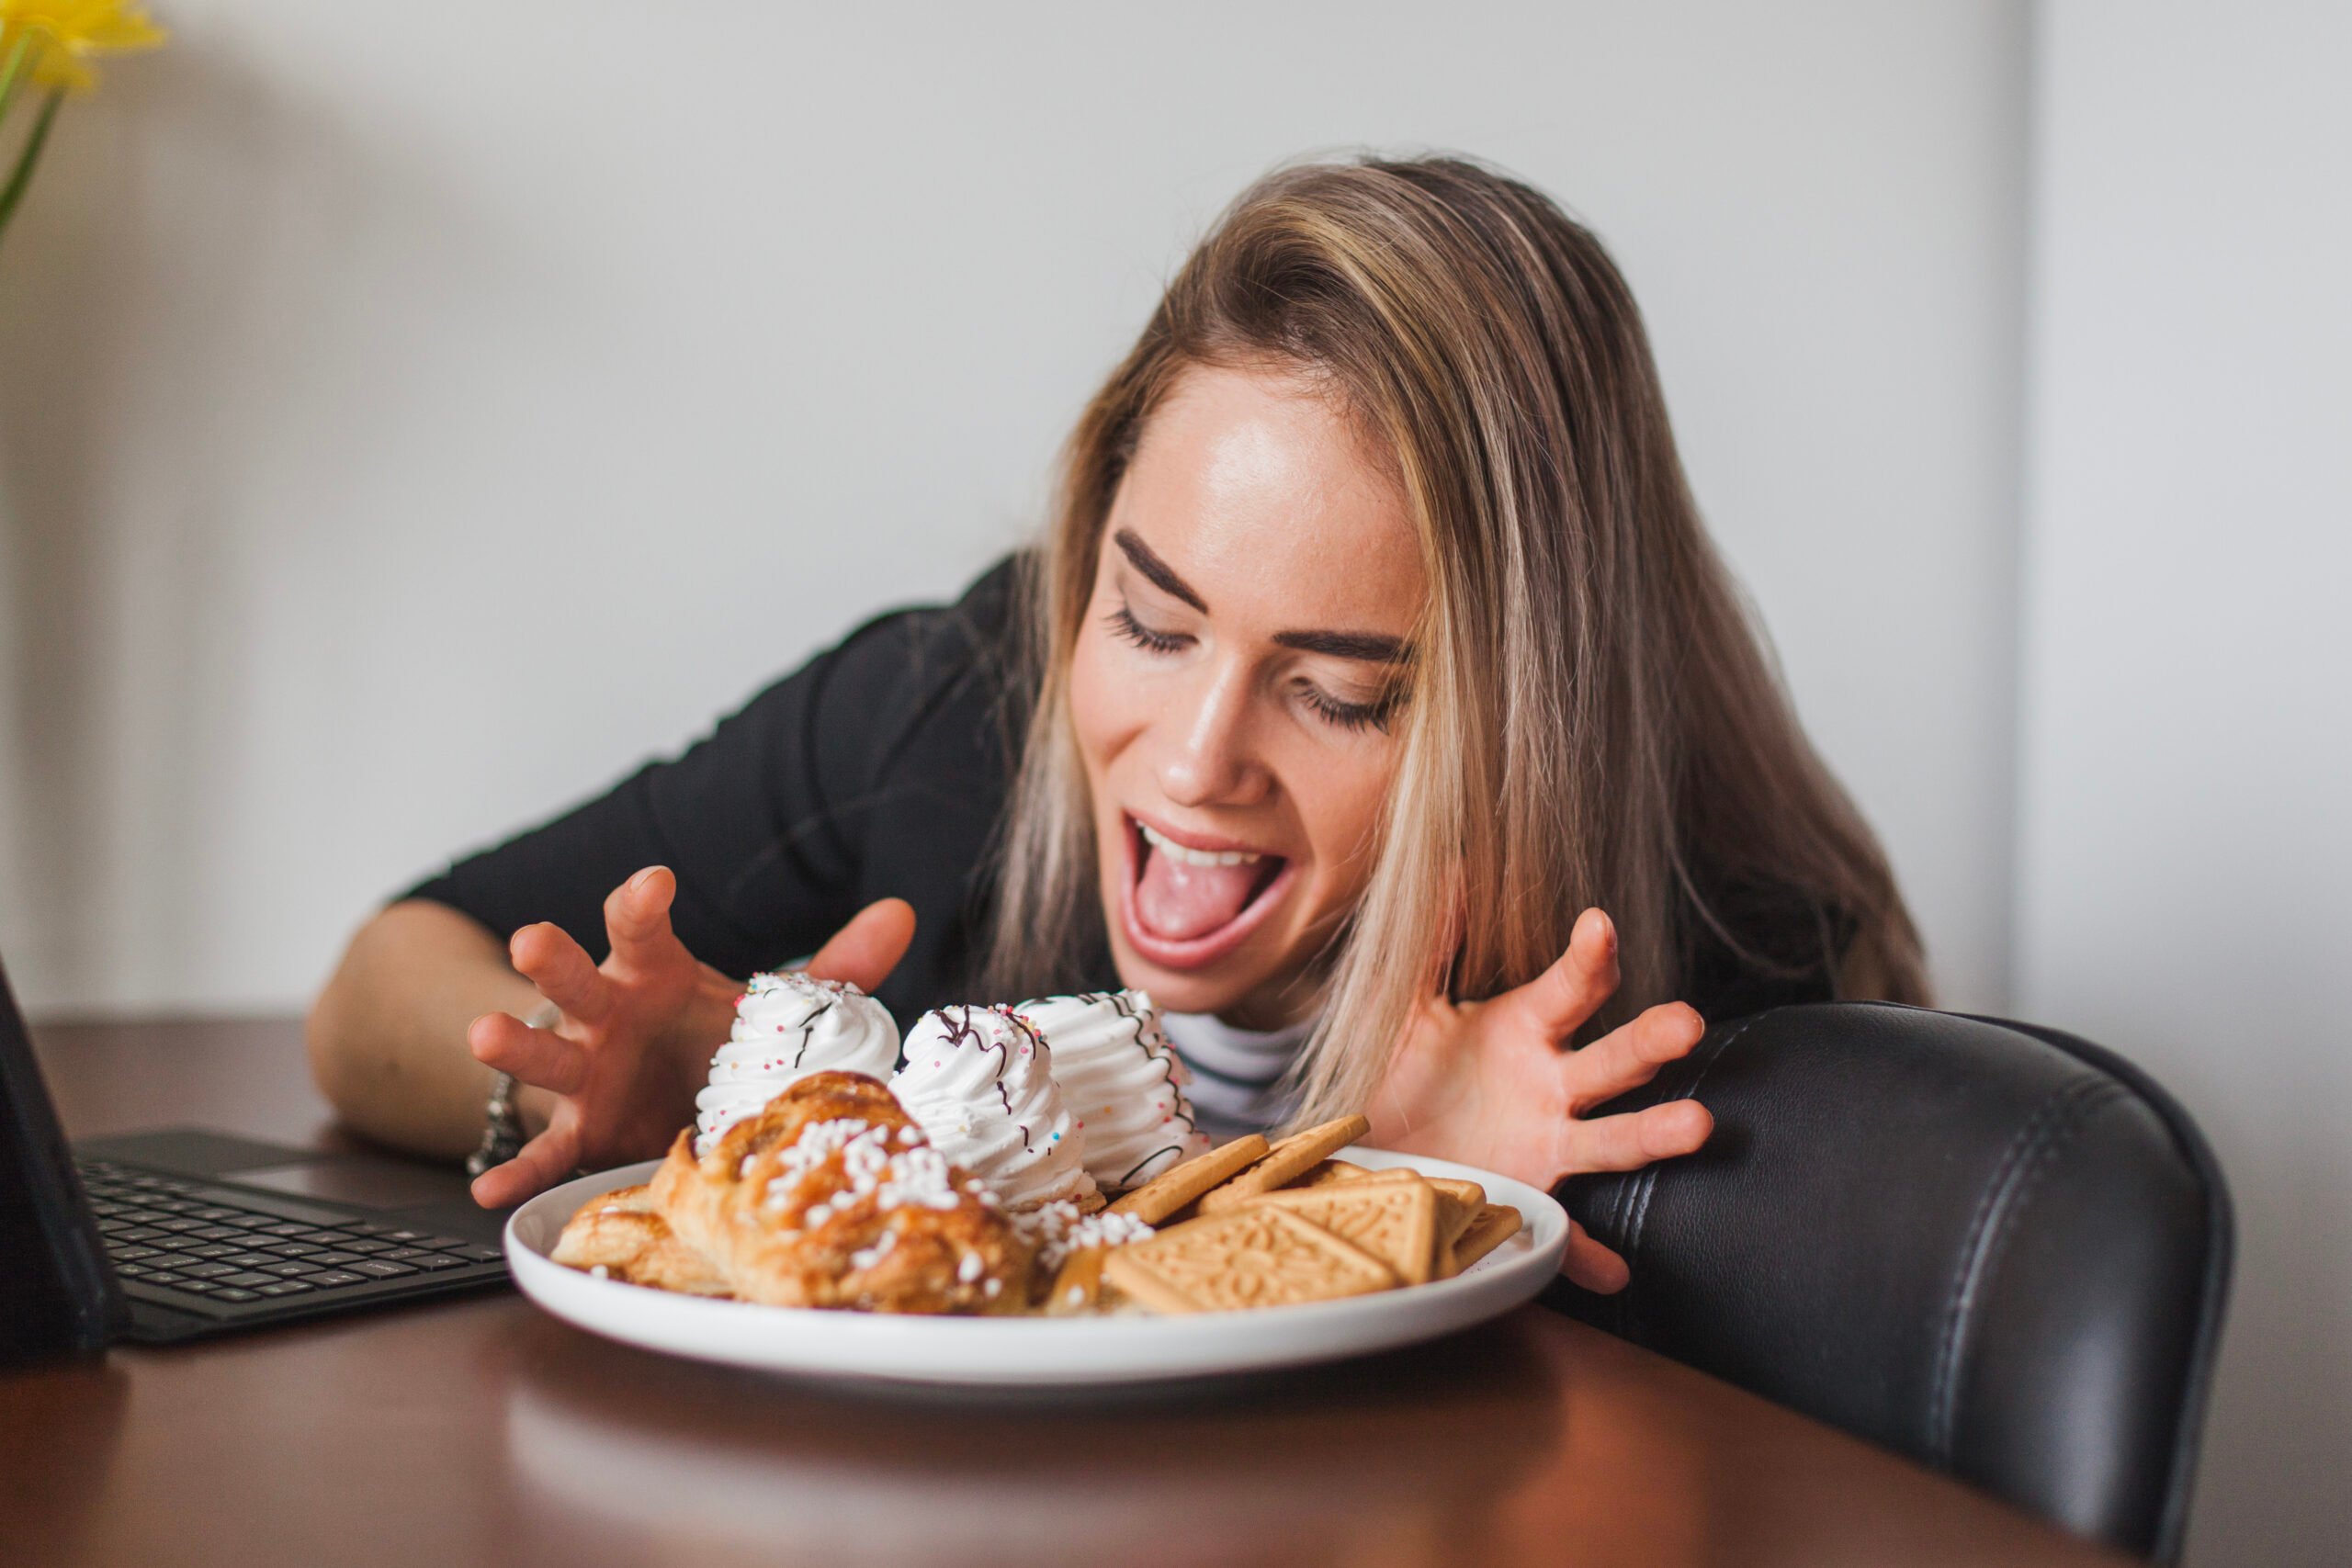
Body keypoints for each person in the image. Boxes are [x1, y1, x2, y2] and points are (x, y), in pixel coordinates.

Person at [307, 155, 1927, 1293]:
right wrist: (652, 1119)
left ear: (1535, 721)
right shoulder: (962, 699)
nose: (1194, 756)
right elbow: (377, 984)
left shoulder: (1725, 978)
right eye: (1150, 619)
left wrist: (1440, 1208)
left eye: (1339, 691)